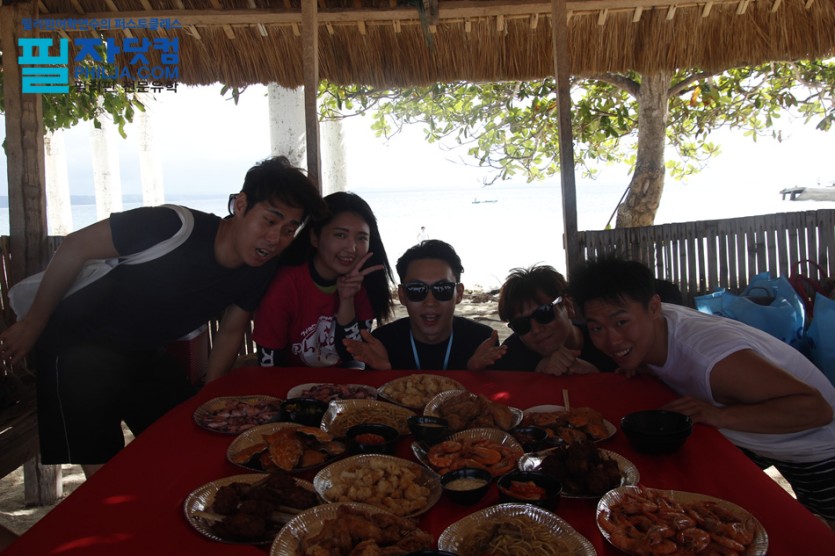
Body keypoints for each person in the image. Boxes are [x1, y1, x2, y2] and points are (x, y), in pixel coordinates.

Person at [0, 156, 324, 478]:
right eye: (269, 221)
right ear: (241, 205)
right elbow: (74, 246)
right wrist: (33, 323)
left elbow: (230, 330)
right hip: (75, 348)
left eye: (289, 230)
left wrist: (209, 393)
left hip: (142, 352)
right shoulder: (171, 226)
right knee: (105, 470)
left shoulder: (260, 266)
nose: (275, 238)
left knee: (188, 434)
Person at [569, 256, 835, 528]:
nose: (612, 340)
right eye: (597, 328)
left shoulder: (711, 359)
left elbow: (818, 409)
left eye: (621, 322)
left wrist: (718, 415)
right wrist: (642, 364)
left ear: (654, 307)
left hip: (818, 447)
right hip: (754, 435)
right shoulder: (655, 329)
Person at [252, 191, 394, 368]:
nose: (351, 248)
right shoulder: (285, 286)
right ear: (315, 237)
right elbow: (269, 366)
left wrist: (347, 300)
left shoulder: (363, 283)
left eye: (361, 238)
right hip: (292, 383)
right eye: (340, 235)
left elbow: (354, 358)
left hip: (345, 382)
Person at [344, 239, 505, 370]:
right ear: (402, 295)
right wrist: (383, 373)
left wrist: (475, 373)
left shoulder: (481, 340)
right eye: (416, 289)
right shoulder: (382, 342)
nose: (430, 302)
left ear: (459, 293)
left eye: (442, 289)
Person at [491, 265, 616, 374]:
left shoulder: (607, 343)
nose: (536, 330)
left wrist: (597, 377)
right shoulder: (510, 358)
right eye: (521, 325)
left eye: (544, 313)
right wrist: (537, 373)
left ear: (568, 306)